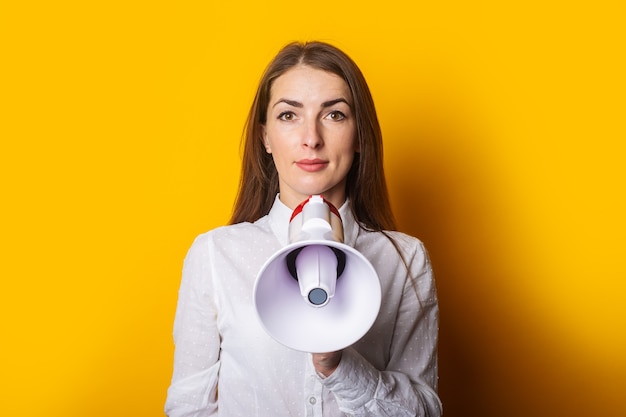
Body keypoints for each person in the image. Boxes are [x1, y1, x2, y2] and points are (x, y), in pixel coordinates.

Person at [165, 41, 442, 417]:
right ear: (265, 137)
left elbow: (424, 411)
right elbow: (189, 409)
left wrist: (337, 364)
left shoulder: (404, 260)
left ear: (360, 135)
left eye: (335, 115)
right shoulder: (216, 256)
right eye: (288, 116)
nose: (311, 138)